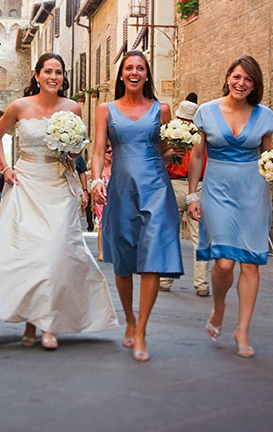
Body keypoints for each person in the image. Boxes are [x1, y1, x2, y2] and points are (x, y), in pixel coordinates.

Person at [0, 52, 118, 350]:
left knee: (55, 253)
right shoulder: (20, 106)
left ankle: (47, 324)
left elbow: (77, 151)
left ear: (62, 76)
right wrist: (6, 167)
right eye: (48, 72)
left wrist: (72, 155)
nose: (53, 77)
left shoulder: (73, 108)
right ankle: (33, 323)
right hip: (27, 183)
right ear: (37, 75)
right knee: (31, 255)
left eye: (58, 72)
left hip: (59, 185)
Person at [90, 50, 182, 362]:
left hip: (156, 188)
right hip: (121, 189)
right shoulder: (105, 110)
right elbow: (99, 150)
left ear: (147, 75)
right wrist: (95, 180)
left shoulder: (162, 110)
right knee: (124, 259)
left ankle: (141, 329)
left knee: (153, 256)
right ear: (121, 75)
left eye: (140, 68)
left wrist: (179, 147)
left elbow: (166, 152)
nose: (134, 72)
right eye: (128, 68)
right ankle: (129, 317)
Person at [187, 55, 273, 359]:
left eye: (248, 79)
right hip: (217, 190)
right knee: (224, 262)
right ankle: (219, 306)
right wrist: (192, 195)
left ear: (255, 85)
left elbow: (268, 157)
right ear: (228, 78)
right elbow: (198, 156)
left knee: (250, 262)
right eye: (237, 77)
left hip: (254, 191)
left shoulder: (264, 116)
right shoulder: (206, 112)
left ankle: (243, 330)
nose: (241, 84)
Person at [159, 99, 210, 296]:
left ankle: (165, 278)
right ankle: (201, 283)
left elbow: (161, 159)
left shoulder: (171, 133)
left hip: (173, 185)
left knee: (169, 234)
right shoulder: (202, 135)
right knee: (200, 237)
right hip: (198, 186)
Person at [93, 144, 113, 261]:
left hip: (114, 198)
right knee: (101, 226)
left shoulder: (116, 166)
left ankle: (113, 250)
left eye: (112, 152)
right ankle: (101, 252)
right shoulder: (99, 168)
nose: (111, 154)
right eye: (108, 152)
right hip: (101, 199)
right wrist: (92, 202)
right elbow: (94, 185)